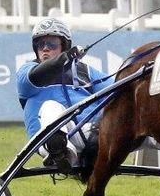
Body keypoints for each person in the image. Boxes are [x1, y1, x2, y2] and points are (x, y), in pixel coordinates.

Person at [16, 17, 113, 176]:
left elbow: (115, 89)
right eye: (41, 45)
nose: (45, 49)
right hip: (48, 137)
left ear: (64, 46)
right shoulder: (27, 71)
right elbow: (38, 75)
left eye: (52, 44)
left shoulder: (83, 71)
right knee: (50, 107)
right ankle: (61, 155)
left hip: (92, 133)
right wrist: (65, 58)